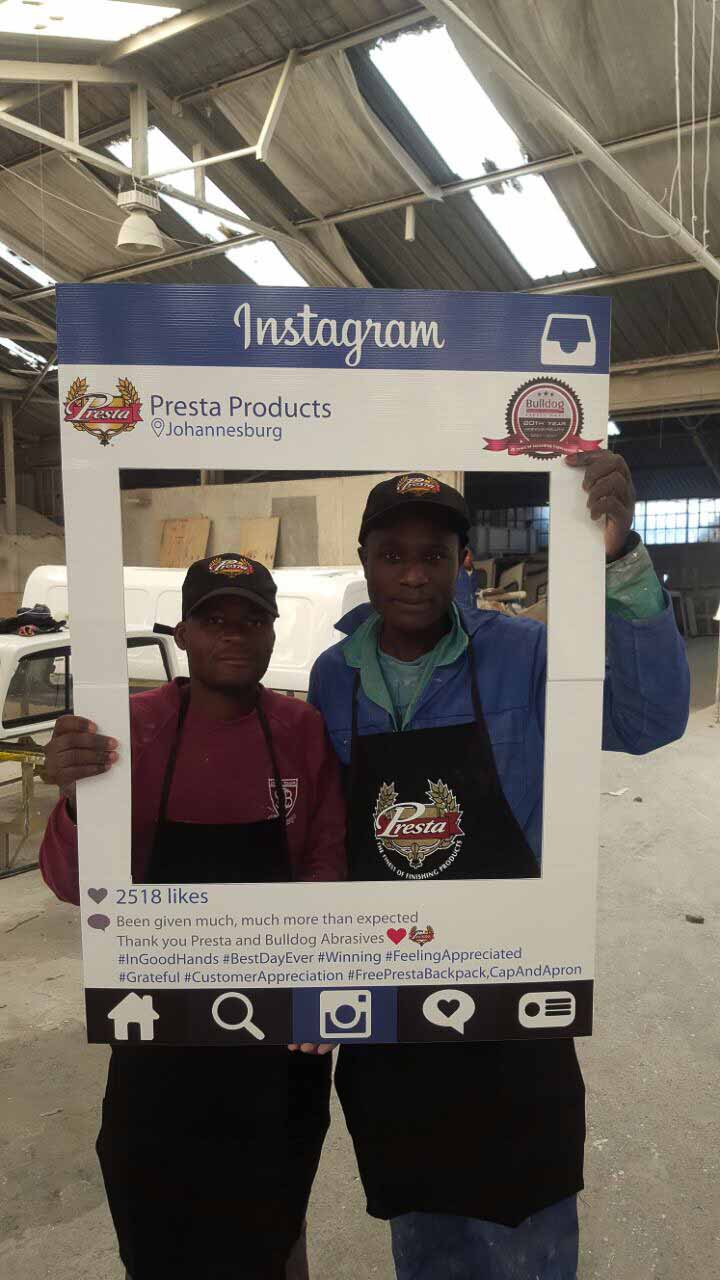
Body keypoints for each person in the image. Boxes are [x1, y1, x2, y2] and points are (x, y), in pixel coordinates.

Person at [308, 460, 690, 1280]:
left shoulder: (525, 654)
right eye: (393, 555)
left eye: (433, 556)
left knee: (526, 1222)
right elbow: (323, 833)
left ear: (462, 564)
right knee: (424, 1224)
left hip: (513, 988)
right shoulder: (331, 677)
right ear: (365, 561)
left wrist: (621, 560)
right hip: (392, 997)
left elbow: (648, 720)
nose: (414, 575)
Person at [40, 553, 346, 1280]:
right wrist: (77, 801)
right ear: (181, 632)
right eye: (213, 619)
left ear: (273, 632)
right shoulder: (126, 731)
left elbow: (325, 866)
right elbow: (72, 883)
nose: (233, 634)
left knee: (271, 1227)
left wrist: (323, 984)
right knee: (158, 1228)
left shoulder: (300, 728)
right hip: (157, 1036)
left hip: (277, 1042)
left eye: (252, 619)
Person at [454, 545, 479, 610]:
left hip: (472, 608)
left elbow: (474, 590)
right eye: (466, 556)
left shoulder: (474, 572)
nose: (468, 558)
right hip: (461, 609)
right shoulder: (456, 573)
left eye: (470, 556)